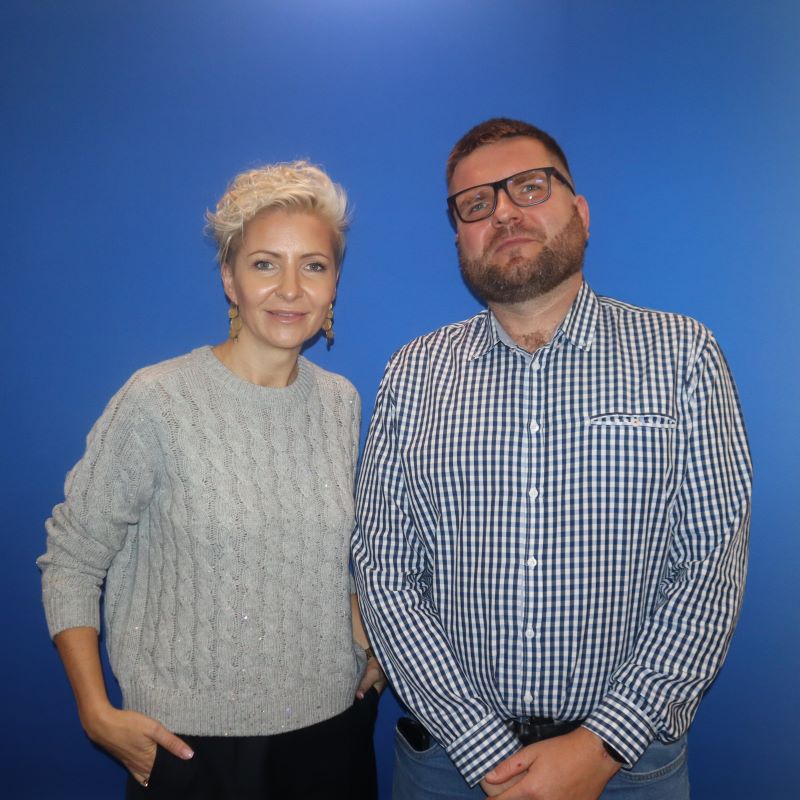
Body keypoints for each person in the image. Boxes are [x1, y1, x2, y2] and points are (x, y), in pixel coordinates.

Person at [352, 118, 751, 800]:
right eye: (476, 203)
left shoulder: (683, 355)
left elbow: (710, 566)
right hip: (447, 766)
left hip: (629, 767)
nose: (504, 212)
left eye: (530, 187)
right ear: (459, 236)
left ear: (580, 212)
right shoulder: (412, 373)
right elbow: (386, 573)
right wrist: (481, 748)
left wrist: (603, 745)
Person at [38, 160, 384, 799]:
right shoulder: (158, 401)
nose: (290, 289)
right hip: (194, 751)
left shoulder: (341, 402)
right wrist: (95, 710)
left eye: (313, 265)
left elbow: (329, 549)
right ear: (230, 278)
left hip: (333, 735)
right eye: (264, 264)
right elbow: (72, 558)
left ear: (335, 282)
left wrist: (368, 634)